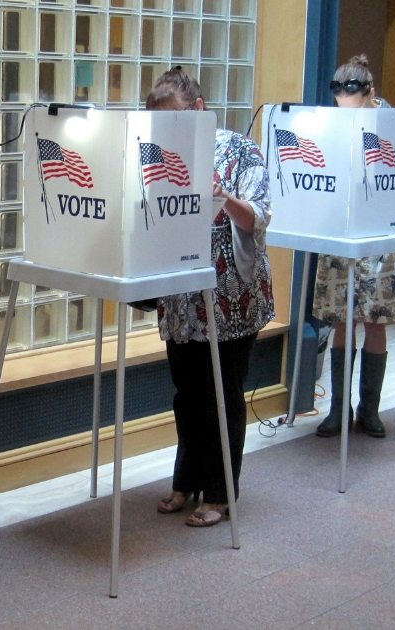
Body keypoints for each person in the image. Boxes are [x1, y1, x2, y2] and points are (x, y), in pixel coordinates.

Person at [146, 68, 274, 527]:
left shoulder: (239, 149)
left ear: (199, 110)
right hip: (181, 299)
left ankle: (219, 494)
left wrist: (223, 197)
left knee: (223, 394)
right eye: (162, 123)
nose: (170, 131)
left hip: (232, 297)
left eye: (177, 120)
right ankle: (186, 480)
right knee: (187, 393)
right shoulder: (155, 152)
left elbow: (259, 217)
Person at [313, 54, 395, 439]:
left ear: (371, 95)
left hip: (380, 235)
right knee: (343, 319)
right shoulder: (334, 122)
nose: (347, 114)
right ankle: (338, 410)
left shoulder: (394, 127)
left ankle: (369, 409)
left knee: (376, 321)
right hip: (341, 232)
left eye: (354, 107)